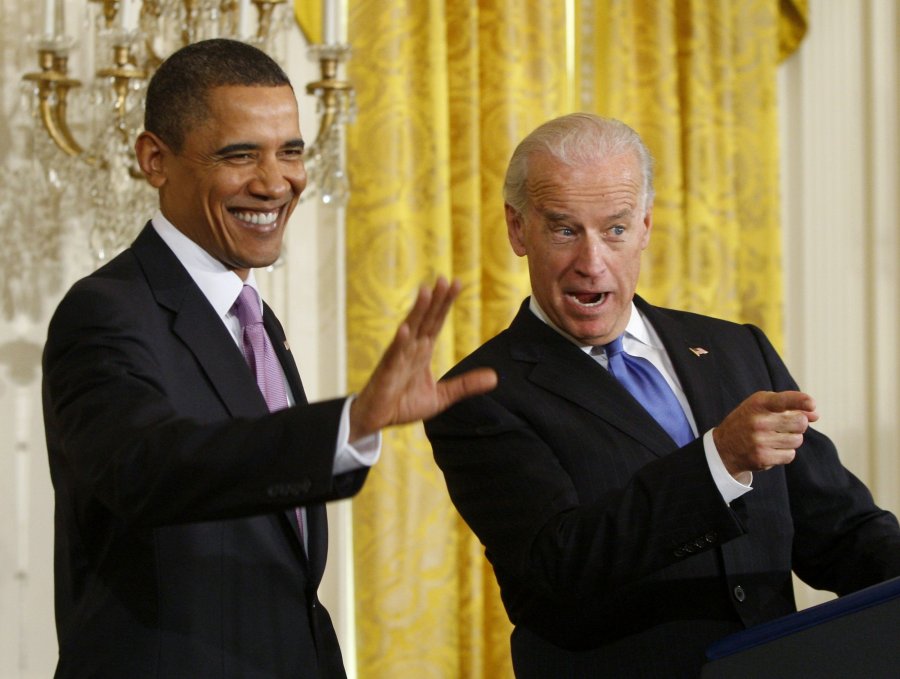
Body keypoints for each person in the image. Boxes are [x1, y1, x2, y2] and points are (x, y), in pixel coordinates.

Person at [41, 39, 496, 679]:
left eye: (291, 152)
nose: (275, 182)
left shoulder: (254, 320)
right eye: (239, 155)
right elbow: (147, 469)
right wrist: (347, 424)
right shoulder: (106, 311)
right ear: (154, 159)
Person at [424, 112, 900, 678]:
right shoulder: (480, 394)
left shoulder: (736, 348)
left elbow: (840, 530)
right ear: (518, 229)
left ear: (645, 226)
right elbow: (558, 566)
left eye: (615, 229)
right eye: (565, 230)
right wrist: (718, 460)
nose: (591, 262)